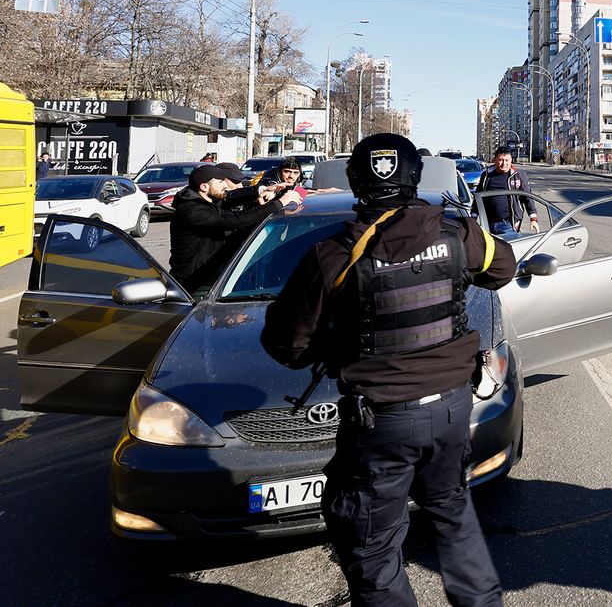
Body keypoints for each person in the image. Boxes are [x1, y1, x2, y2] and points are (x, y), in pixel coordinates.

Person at [261, 133, 515, 607]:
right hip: (453, 407)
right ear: (414, 178)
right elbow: (502, 269)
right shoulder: (457, 233)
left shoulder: (334, 255)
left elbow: (285, 343)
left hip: (382, 419)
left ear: (357, 183)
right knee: (453, 512)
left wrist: (334, 343)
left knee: (372, 547)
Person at [169, 163, 301, 293]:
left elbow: (231, 197)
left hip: (217, 278)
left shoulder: (209, 202)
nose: (225, 185)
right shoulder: (191, 211)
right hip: (194, 284)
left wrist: (262, 191)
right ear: (204, 187)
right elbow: (234, 221)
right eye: (220, 182)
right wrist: (279, 203)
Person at [474, 146, 538, 235]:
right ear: (495, 160)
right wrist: (473, 216)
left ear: (511, 160)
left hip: (508, 224)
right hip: (487, 223)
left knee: (507, 248)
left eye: (507, 160)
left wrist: (533, 218)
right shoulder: (486, 175)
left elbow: (527, 197)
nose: (504, 163)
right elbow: (478, 196)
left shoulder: (518, 175)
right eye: (501, 160)